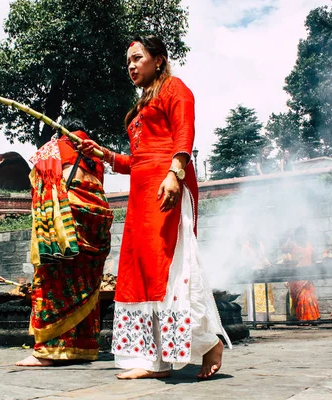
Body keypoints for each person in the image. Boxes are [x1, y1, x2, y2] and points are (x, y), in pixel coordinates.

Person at [79, 35, 229, 380]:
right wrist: (106, 155)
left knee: (169, 266)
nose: (131, 66)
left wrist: (176, 173)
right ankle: (153, 359)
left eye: (137, 58)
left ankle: (208, 343)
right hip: (142, 192)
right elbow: (138, 160)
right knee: (142, 271)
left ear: (158, 59)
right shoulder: (141, 105)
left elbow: (184, 133)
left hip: (167, 186)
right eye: (128, 61)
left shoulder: (175, 88)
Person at [15, 119, 113, 366]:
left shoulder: (53, 147)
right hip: (97, 220)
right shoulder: (96, 154)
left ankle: (48, 352)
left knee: (53, 281)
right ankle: (82, 348)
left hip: (68, 217)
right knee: (84, 285)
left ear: (61, 131)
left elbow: (41, 181)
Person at [282, 227, 321, 322]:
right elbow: (284, 249)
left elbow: (314, 257)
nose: (302, 236)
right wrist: (290, 237)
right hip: (297, 278)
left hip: (308, 276)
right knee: (303, 297)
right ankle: (304, 318)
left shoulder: (309, 245)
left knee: (310, 296)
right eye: (299, 234)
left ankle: (313, 317)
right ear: (296, 236)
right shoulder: (293, 245)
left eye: (303, 234)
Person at [241, 233, 276, 323]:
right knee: (255, 297)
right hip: (252, 274)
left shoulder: (260, 244)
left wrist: (268, 263)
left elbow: (264, 257)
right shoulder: (245, 247)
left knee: (265, 297)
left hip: (262, 273)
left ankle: (265, 320)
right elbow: (244, 261)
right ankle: (256, 321)